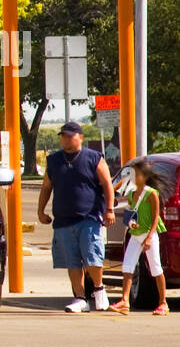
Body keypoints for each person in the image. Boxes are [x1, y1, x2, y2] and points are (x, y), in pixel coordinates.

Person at [37, 122, 115, 313]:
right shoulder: (54, 160)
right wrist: (41, 211)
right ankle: (80, 298)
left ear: (80, 137)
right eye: (63, 135)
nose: (65, 139)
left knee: (92, 257)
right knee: (71, 262)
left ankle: (98, 290)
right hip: (63, 220)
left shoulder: (94, 158)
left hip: (88, 217)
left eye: (70, 135)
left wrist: (110, 209)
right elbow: (47, 187)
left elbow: (107, 183)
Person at [109, 158, 169, 315]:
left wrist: (149, 237)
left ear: (146, 176)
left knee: (156, 268)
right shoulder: (132, 193)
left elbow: (156, 217)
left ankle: (163, 303)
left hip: (149, 235)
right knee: (127, 266)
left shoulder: (151, 194)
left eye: (137, 174)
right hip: (135, 234)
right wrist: (111, 191)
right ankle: (124, 300)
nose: (134, 177)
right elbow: (120, 202)